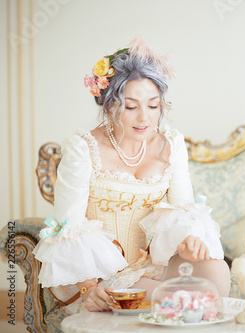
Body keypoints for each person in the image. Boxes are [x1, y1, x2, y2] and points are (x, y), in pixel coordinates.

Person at [33, 37, 230, 315]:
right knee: (178, 298)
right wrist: (90, 290)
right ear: (110, 105)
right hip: (97, 274)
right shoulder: (83, 148)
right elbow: (69, 229)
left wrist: (189, 243)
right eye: (131, 106)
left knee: (215, 271)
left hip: (150, 265)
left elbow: (182, 212)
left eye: (153, 106)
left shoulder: (171, 144)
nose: (144, 118)